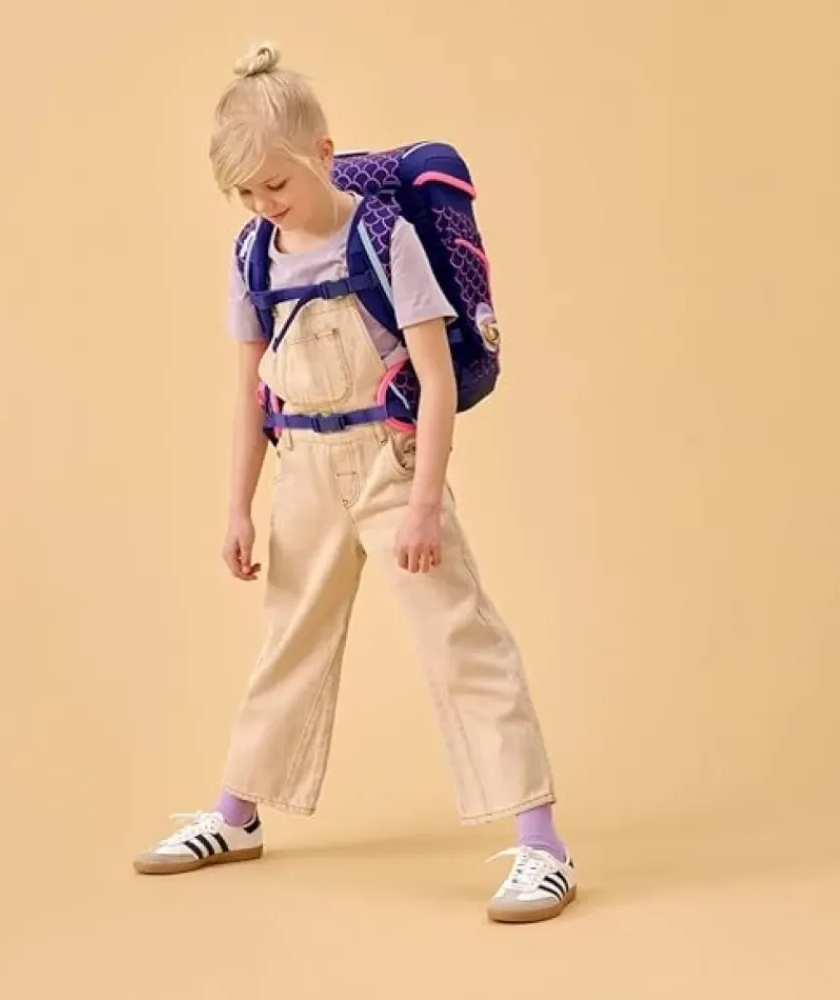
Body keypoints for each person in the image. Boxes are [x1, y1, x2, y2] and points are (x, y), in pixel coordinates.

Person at [133, 41, 577, 924]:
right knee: (288, 642)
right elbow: (250, 393)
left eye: (277, 184)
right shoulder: (253, 255)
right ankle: (236, 815)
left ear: (324, 154)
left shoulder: (383, 237)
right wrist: (237, 508)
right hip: (301, 467)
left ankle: (542, 845)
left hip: (389, 461)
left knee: (461, 638)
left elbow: (435, 380)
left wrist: (422, 502)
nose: (264, 204)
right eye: (246, 193)